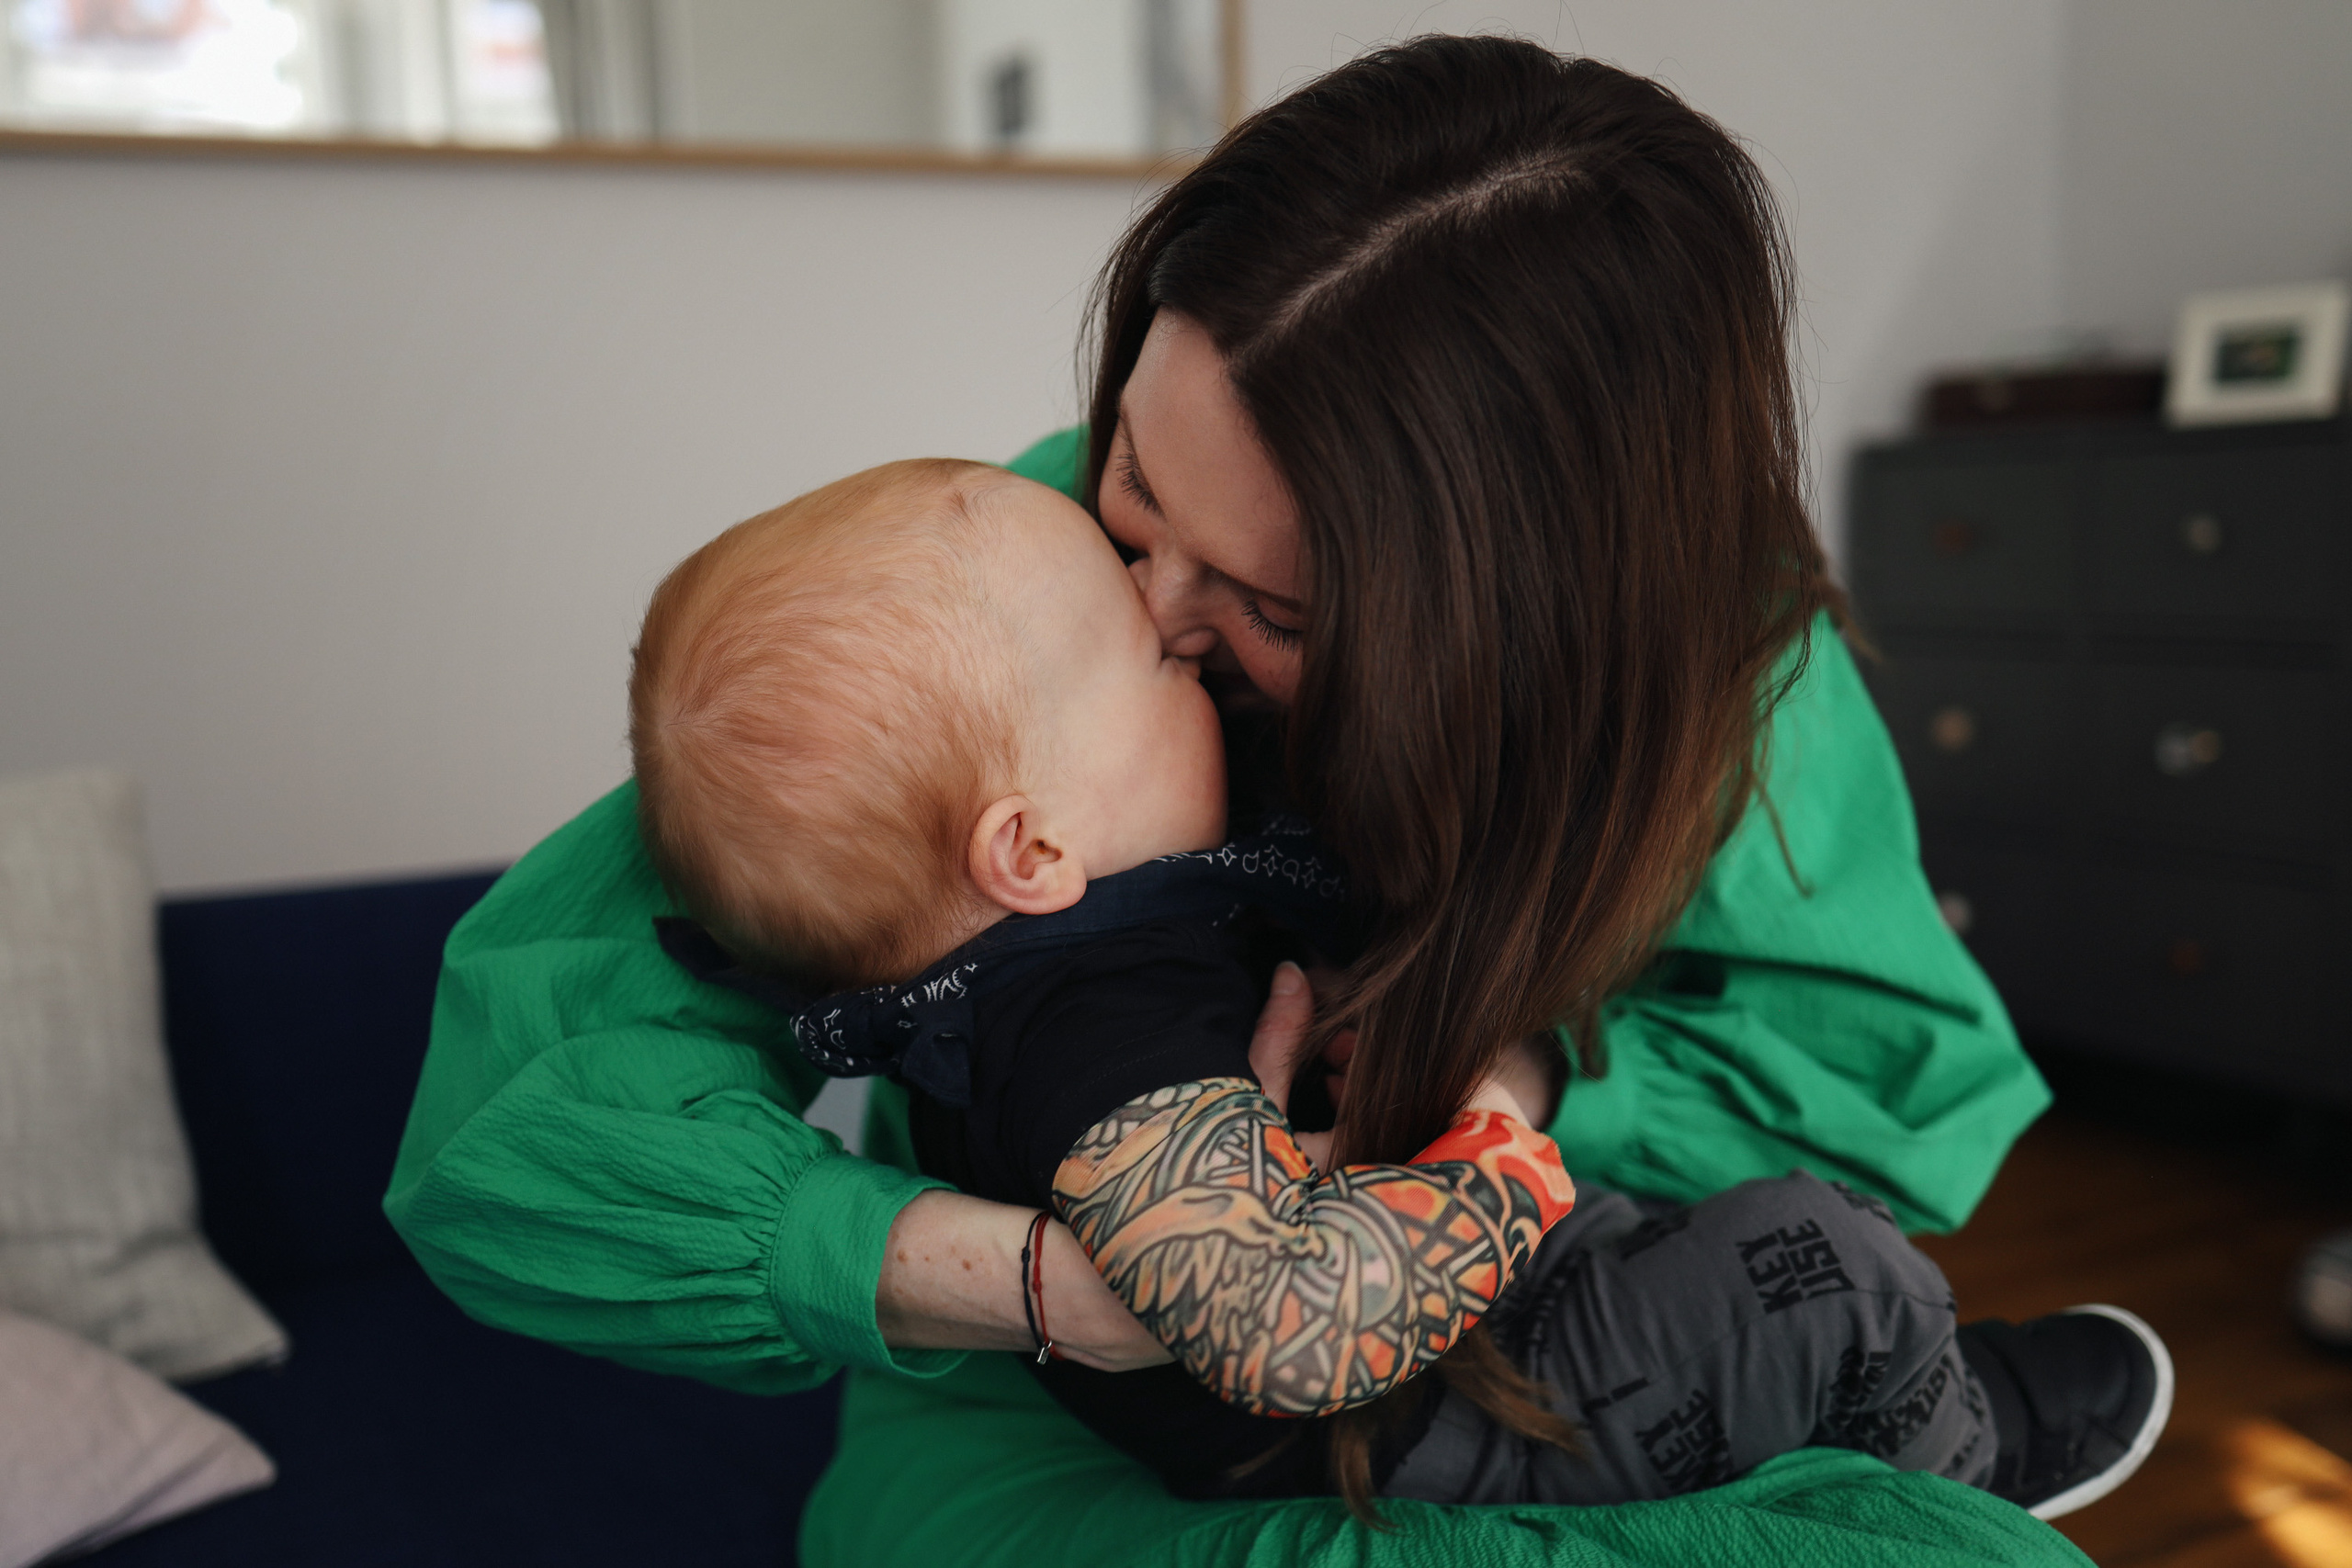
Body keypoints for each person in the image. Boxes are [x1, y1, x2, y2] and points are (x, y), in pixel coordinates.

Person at [386, 37, 2125, 1568]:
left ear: (1533, 630)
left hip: (1520, 1345)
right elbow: (509, 1136)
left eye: (1272, 612)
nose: (1142, 615)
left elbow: (1879, 1095)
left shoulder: (1721, 680)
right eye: (1135, 482)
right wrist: (1056, 1290)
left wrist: (1499, 1068)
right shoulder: (1012, 590)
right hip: (1069, 1427)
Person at [624, 454, 2149, 1516]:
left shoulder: (1069, 948)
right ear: (1027, 847)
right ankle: (1966, 1455)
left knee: (1742, 1258)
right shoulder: (1093, 1020)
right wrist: (1497, 1151)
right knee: (1828, 1264)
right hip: (1397, 1422)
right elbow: (1280, 1331)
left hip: (1424, 1336)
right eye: (1142, 657)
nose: (1178, 638)